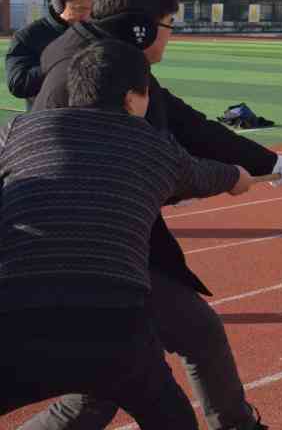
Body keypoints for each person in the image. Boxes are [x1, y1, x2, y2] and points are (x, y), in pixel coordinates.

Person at [28, 0, 282, 430]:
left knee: (105, 386)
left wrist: (264, 160)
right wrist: (235, 174)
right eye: (169, 23)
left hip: (81, 244)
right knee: (172, 348)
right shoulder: (104, 70)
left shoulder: (94, 53)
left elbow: (178, 120)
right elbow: (157, 161)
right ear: (141, 28)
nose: (172, 35)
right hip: (97, 249)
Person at [0, 40, 252, 429]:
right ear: (133, 98)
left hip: (13, 319)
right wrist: (238, 176)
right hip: (114, 328)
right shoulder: (155, 146)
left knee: (90, 397)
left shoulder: (18, 131)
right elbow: (209, 175)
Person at [6, 0, 99, 108]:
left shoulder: (97, 31)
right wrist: (62, 61)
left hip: (90, 117)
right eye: (80, 9)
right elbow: (18, 84)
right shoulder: (28, 36)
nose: (88, 16)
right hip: (48, 117)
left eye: (92, 9)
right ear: (58, 4)